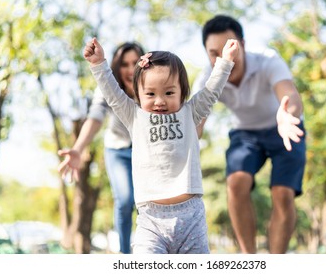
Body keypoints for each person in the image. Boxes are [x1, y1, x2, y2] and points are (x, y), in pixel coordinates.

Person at [83, 37, 238, 254]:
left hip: (191, 217)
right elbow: (112, 94)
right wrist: (98, 63)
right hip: (151, 221)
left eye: (169, 93)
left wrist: (225, 63)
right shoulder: (134, 116)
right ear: (138, 94)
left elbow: (211, 91)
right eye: (150, 94)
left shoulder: (190, 113)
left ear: (182, 93)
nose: (159, 101)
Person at [194, 15, 306, 254]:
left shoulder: (267, 60)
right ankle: (249, 260)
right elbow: (195, 123)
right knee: (236, 182)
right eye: (213, 53)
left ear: (242, 45)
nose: (222, 59)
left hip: (283, 126)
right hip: (245, 133)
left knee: (283, 194)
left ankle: (275, 262)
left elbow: (290, 95)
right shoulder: (207, 77)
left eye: (229, 49)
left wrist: (288, 114)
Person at [57, 42, 145, 254]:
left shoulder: (151, 84)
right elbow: (95, 117)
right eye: (124, 64)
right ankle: (125, 257)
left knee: (146, 202)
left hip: (146, 151)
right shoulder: (108, 85)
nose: (130, 69)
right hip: (118, 150)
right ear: (116, 66)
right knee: (125, 200)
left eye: (135, 63)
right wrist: (78, 149)